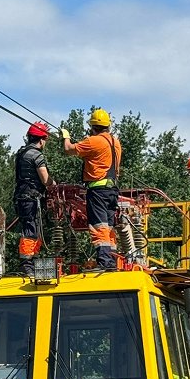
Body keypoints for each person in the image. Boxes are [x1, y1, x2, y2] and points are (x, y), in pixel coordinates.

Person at [61, 109, 122, 270]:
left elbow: (68, 149)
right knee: (108, 226)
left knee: (98, 225)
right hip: (112, 190)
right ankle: (111, 260)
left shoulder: (93, 141)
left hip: (98, 190)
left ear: (93, 127)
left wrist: (66, 136)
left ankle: (104, 262)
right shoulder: (115, 142)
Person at [13, 121, 56, 275]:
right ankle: (27, 263)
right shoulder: (36, 155)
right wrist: (54, 185)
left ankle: (29, 261)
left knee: (31, 229)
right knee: (31, 230)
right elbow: (45, 179)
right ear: (41, 139)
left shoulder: (21, 153)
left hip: (21, 198)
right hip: (31, 199)